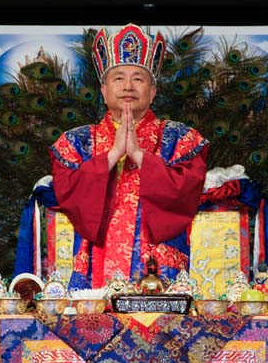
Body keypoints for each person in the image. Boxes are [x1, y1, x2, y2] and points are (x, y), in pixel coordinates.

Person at [49, 23, 209, 289]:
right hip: (96, 265)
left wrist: (140, 156)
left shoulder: (182, 139)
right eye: (118, 78)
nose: (128, 86)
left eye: (138, 79)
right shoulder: (75, 143)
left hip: (158, 266)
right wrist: (111, 157)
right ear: (103, 90)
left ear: (153, 91)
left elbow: (186, 193)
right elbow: (69, 195)